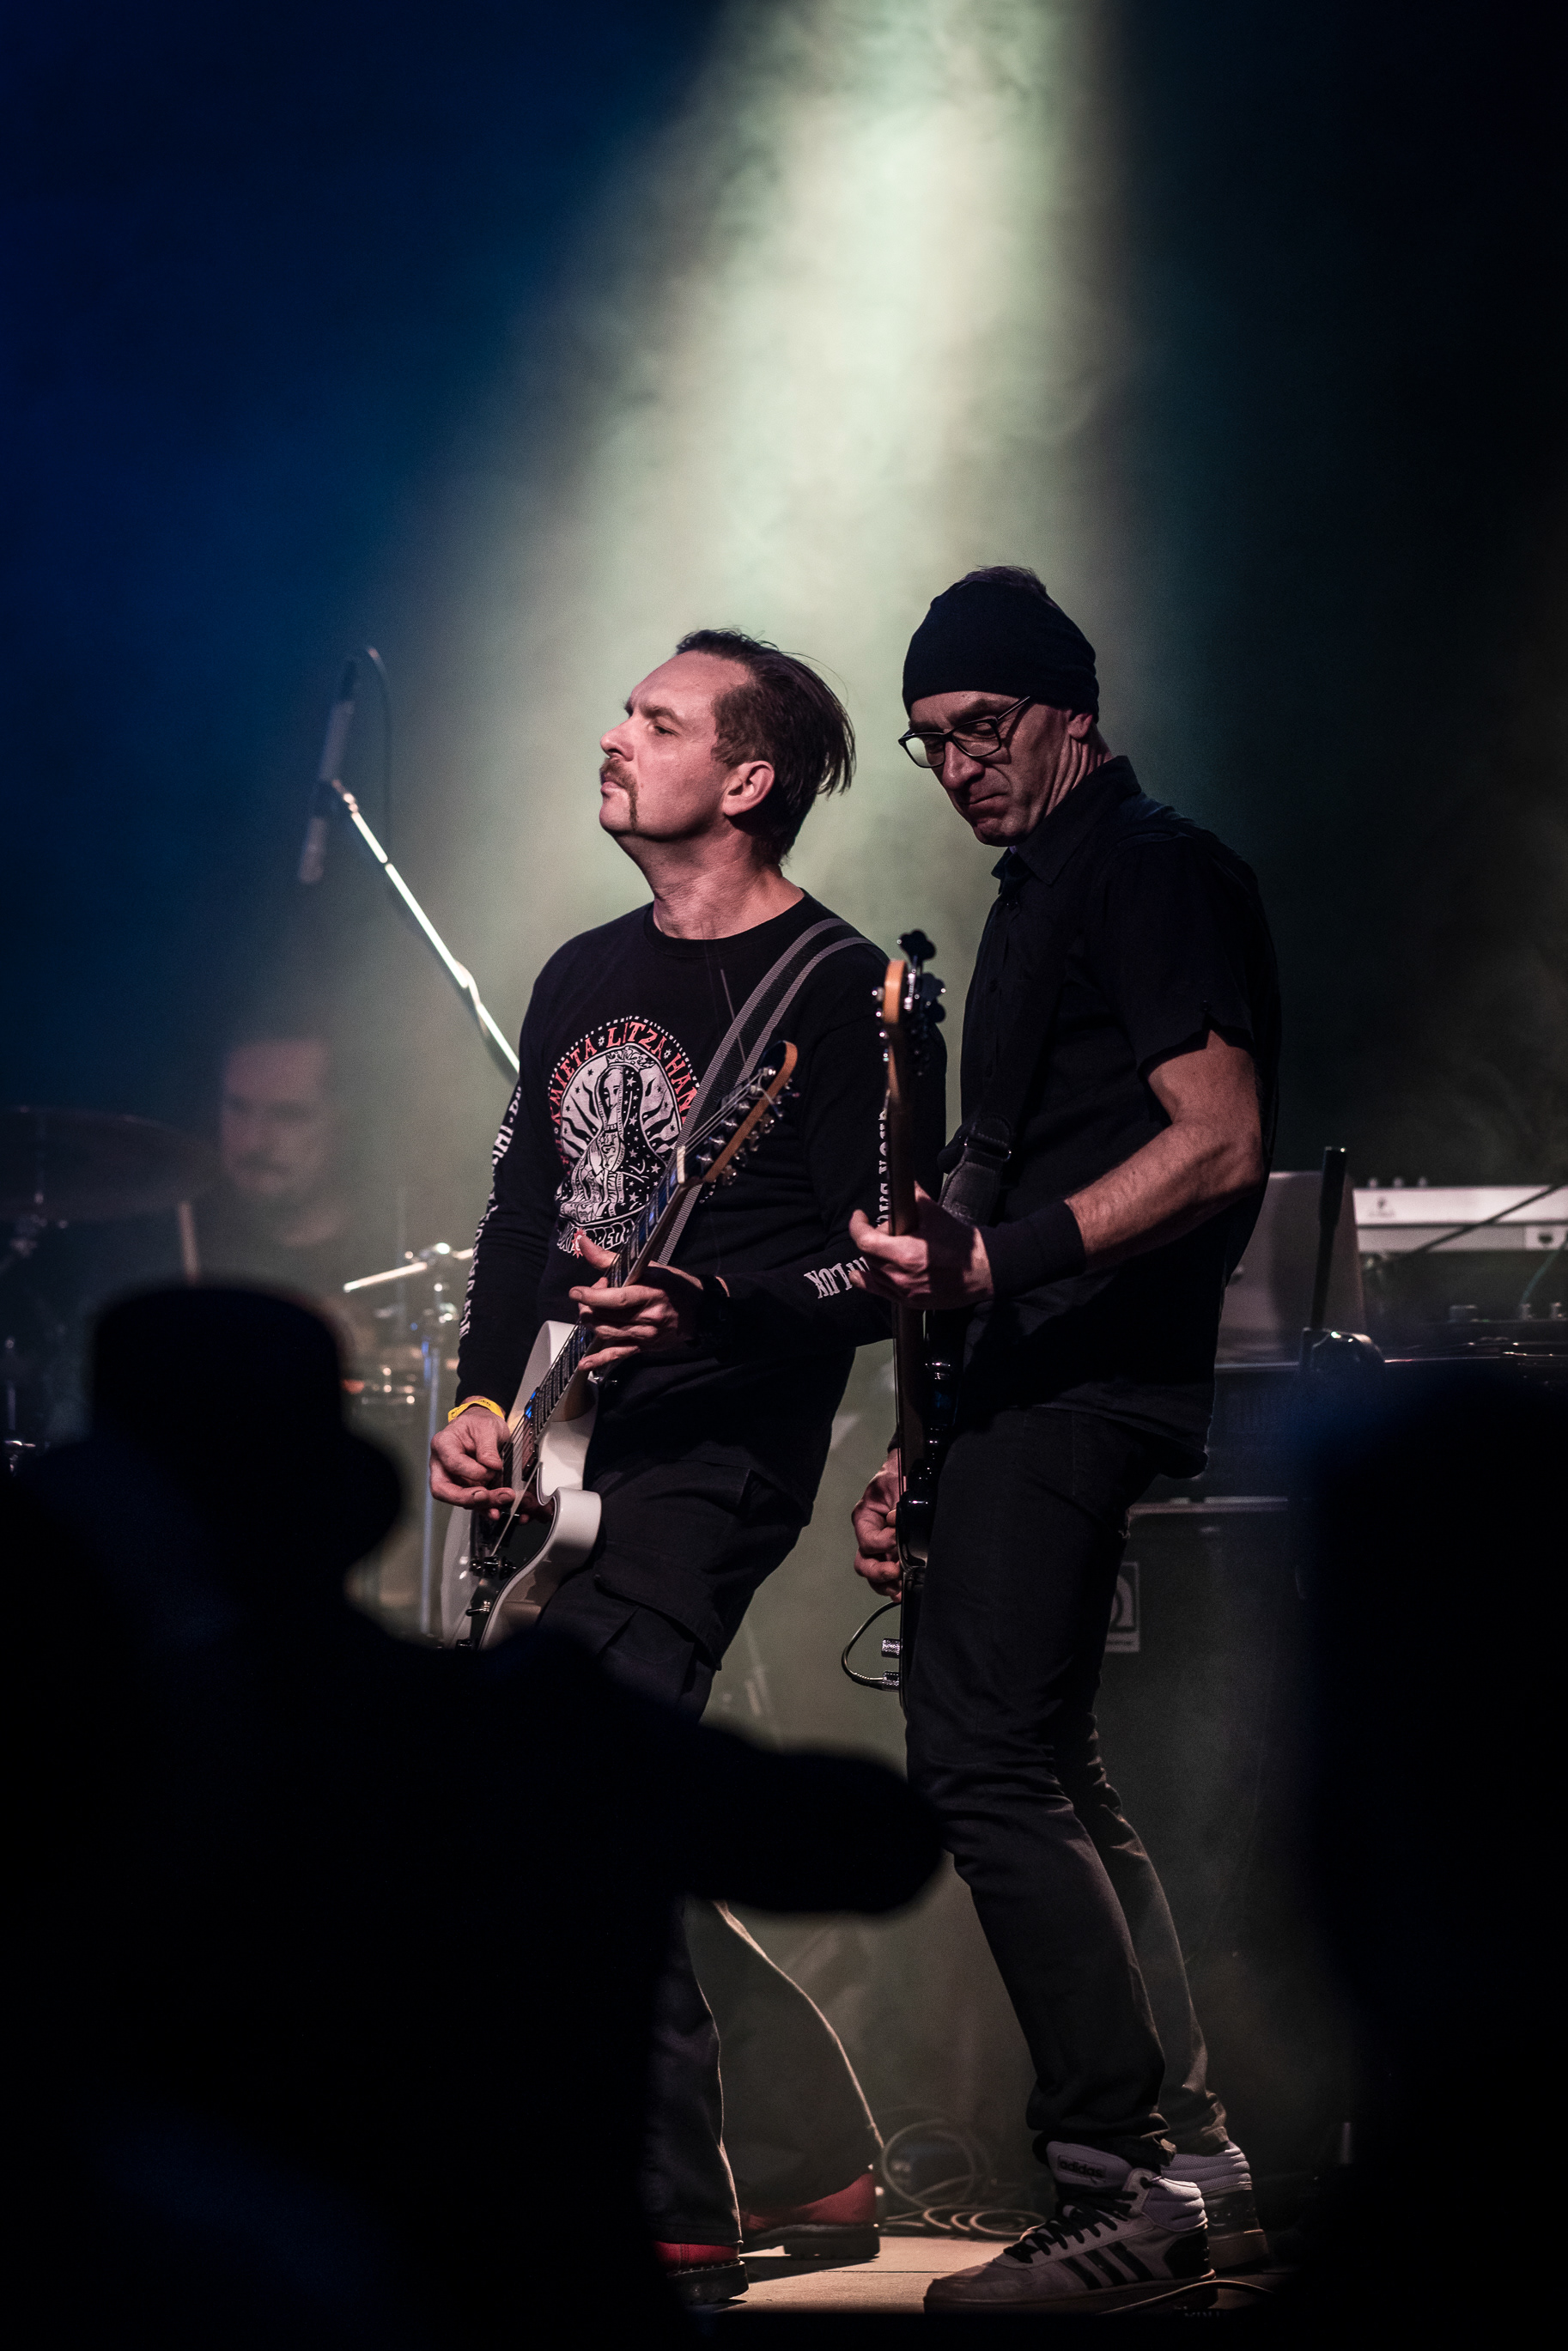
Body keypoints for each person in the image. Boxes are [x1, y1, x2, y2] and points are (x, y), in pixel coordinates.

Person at [12, 1287, 941, 2348]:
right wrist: (606, 1762)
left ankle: (778, 2166)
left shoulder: (103, 1772)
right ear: (339, 1513)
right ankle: (788, 2162)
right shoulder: (521, 1724)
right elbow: (876, 1843)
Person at [428, 628, 945, 2303]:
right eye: (624, 711)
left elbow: (883, 1267)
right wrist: (485, 1398)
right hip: (563, 1437)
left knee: (574, 1785)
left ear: (746, 778)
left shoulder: (837, 989)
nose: (614, 734)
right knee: (582, 1795)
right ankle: (809, 2151)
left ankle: (665, 2212)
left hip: (718, 1449)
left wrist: (715, 1306)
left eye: (656, 721)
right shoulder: (580, 970)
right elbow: (521, 1215)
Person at [848, 568, 1282, 2311]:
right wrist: (924, 1430)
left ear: (1070, 712)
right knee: (1042, 1761)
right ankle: (1197, 2167)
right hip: (1024, 1381)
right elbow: (1006, 1177)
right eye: (931, 742)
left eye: (984, 727)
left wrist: (998, 1262)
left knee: (979, 1760)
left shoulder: (1153, 867)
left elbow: (1220, 1136)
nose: (958, 765)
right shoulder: (1036, 893)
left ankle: (1120, 2179)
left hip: (1092, 1375)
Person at [198, 1020, 363, 1301]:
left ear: (342, 1123)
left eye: (287, 1115)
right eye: (238, 1108)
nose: (253, 1141)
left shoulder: (401, 1250)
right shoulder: (184, 1247)